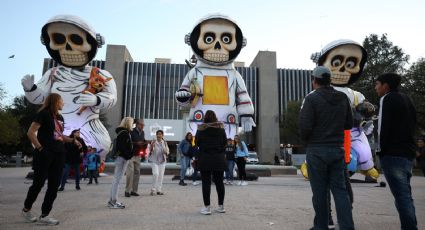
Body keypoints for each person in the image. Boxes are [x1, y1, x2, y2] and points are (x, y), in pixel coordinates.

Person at [299, 66, 354, 230]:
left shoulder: (311, 99)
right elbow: (349, 124)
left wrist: (307, 141)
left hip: (317, 150)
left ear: (314, 80)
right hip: (337, 149)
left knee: (320, 193)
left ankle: (320, 226)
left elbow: (305, 126)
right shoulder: (343, 97)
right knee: (340, 191)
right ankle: (347, 226)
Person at [22, 93, 81, 225]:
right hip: (45, 153)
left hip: (59, 154)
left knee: (54, 185)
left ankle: (45, 215)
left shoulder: (60, 117)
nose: (63, 103)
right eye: (61, 101)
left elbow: (59, 136)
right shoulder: (43, 114)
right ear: (55, 102)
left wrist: (73, 140)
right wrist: (40, 148)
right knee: (38, 183)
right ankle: (26, 209)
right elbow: (31, 132)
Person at [375, 73, 417, 229]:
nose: (376, 87)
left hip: (392, 154)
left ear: (386, 85)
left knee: (401, 197)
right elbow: (413, 123)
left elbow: (382, 128)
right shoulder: (407, 98)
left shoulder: (387, 98)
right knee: (406, 194)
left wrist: (381, 150)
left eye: (378, 84)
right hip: (407, 153)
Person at [195, 110, 227, 215]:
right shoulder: (221, 129)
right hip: (218, 158)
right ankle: (221, 206)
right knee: (219, 182)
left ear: (205, 118)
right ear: (215, 117)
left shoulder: (201, 129)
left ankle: (207, 207)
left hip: (205, 158)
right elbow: (225, 143)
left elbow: (197, 143)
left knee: (206, 183)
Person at [108, 117, 134, 209]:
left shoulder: (122, 132)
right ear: (128, 123)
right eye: (132, 123)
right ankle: (113, 201)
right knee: (117, 180)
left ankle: (112, 200)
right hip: (122, 158)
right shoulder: (124, 133)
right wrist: (128, 156)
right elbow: (122, 147)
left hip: (121, 158)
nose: (132, 125)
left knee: (116, 179)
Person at [125, 119, 147, 197]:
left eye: (143, 125)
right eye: (141, 125)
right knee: (130, 173)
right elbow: (127, 142)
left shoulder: (143, 133)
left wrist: (144, 143)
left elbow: (142, 141)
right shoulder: (131, 132)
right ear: (137, 124)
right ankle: (127, 190)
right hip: (131, 155)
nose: (143, 126)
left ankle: (134, 190)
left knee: (137, 173)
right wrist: (136, 143)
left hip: (138, 155)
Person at [148, 130, 169, 196]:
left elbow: (167, 151)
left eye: (160, 134)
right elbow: (150, 150)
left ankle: (159, 190)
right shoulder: (153, 141)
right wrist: (152, 145)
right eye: (158, 134)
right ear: (156, 135)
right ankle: (153, 190)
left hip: (162, 161)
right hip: (154, 161)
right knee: (156, 174)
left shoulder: (164, 142)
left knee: (161, 176)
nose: (159, 135)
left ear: (162, 135)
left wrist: (166, 152)